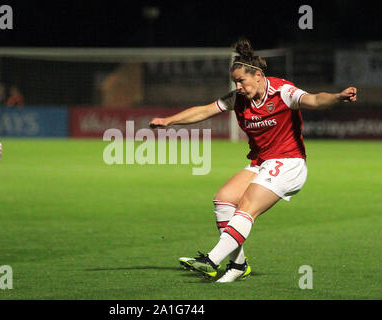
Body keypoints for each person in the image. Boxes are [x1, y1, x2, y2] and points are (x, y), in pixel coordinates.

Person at [148, 39, 357, 283]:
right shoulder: (239, 98)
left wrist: (338, 97)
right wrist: (168, 121)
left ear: (257, 75)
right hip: (261, 162)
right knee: (224, 199)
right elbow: (205, 110)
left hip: (289, 162)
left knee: (247, 205)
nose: (238, 86)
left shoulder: (283, 91)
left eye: (241, 81)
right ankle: (238, 265)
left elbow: (313, 99)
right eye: (235, 82)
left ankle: (211, 260)